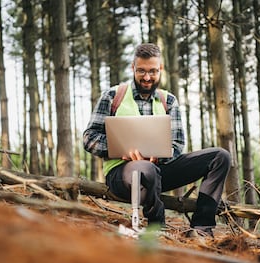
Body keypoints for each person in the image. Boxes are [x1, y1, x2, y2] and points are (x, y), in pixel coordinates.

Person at [83, 43, 231, 237]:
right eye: (141, 71)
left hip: (159, 170)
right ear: (133, 68)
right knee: (146, 169)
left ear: (160, 69)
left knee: (220, 156)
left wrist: (159, 157)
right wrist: (123, 151)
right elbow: (89, 138)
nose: (146, 77)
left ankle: (201, 228)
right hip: (122, 176)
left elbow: (177, 144)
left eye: (152, 71)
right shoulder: (112, 96)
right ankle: (157, 227)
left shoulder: (168, 101)